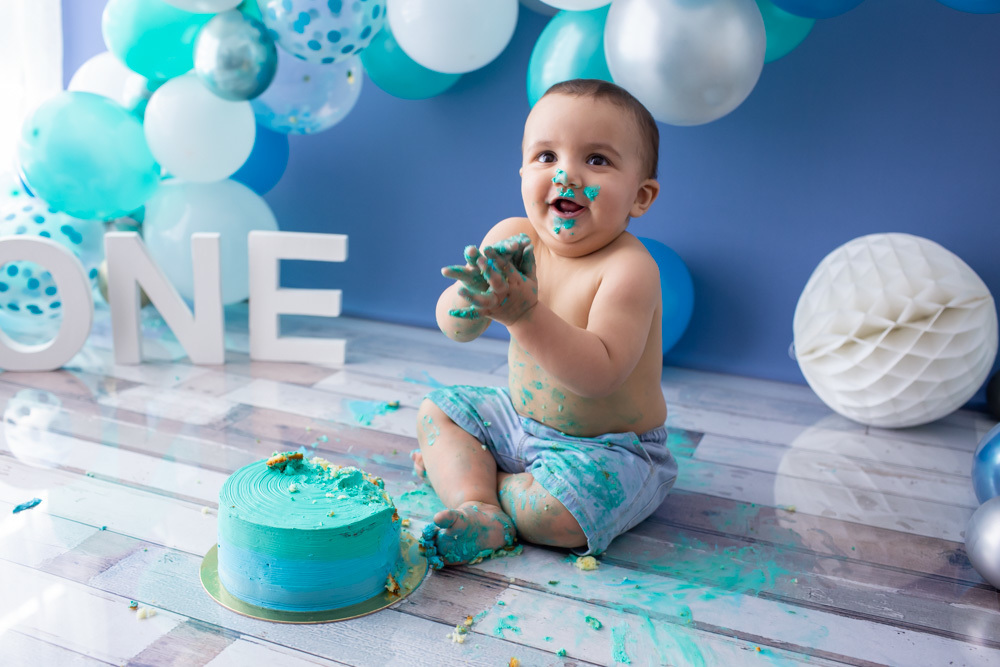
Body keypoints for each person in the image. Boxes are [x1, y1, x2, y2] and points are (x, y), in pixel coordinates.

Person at [413, 79, 678, 569]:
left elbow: (599, 375)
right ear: (522, 173)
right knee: (438, 412)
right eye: (546, 157)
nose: (566, 175)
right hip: (520, 422)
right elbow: (456, 328)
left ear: (640, 196)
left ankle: (477, 481)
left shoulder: (628, 269)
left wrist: (523, 315)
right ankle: (481, 508)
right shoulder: (514, 238)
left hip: (609, 450)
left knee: (558, 518)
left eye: (596, 160)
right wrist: (473, 297)